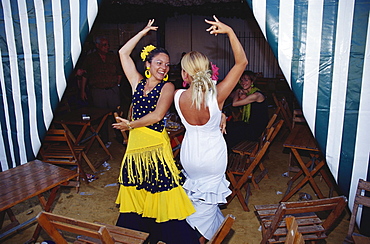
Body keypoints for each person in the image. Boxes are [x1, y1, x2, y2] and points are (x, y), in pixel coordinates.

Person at [112, 19, 199, 244]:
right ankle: (139, 234)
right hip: (135, 147)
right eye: (159, 63)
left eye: (167, 64)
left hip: (155, 145)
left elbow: (158, 116)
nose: (163, 68)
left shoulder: (168, 87)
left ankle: (178, 237)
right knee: (138, 188)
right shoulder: (137, 83)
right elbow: (123, 53)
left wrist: (129, 124)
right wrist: (142, 33)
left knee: (162, 191)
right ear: (148, 64)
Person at [173, 16, 248, 244]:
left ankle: (215, 234)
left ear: (185, 74)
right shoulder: (218, 94)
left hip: (189, 157)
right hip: (212, 157)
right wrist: (230, 32)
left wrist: (221, 115)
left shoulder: (177, 96)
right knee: (206, 207)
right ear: (207, 70)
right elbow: (242, 63)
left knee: (198, 202)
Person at [79, 36, 123, 147]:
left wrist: (117, 84)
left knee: (116, 115)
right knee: (101, 116)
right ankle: (104, 140)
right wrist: (82, 91)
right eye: (104, 45)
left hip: (112, 90)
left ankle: (121, 137)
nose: (107, 47)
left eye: (108, 45)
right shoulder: (90, 58)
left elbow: (119, 72)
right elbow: (85, 75)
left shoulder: (113, 57)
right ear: (97, 46)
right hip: (98, 91)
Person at [224, 70, 269, 149]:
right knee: (229, 126)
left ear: (252, 81)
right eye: (241, 80)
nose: (243, 82)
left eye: (246, 80)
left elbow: (234, 104)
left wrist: (238, 91)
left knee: (231, 132)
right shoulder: (249, 92)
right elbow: (229, 95)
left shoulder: (256, 95)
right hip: (249, 124)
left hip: (256, 128)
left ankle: (229, 151)